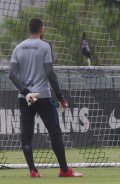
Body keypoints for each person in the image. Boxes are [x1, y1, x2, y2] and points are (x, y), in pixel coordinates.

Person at [9, 18, 82, 178]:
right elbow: (50, 72)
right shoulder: (45, 46)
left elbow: (12, 74)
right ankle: (64, 170)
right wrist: (60, 97)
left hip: (25, 97)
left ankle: (33, 171)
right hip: (42, 95)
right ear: (42, 29)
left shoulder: (18, 47)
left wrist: (26, 91)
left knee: (26, 135)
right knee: (55, 132)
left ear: (29, 29)